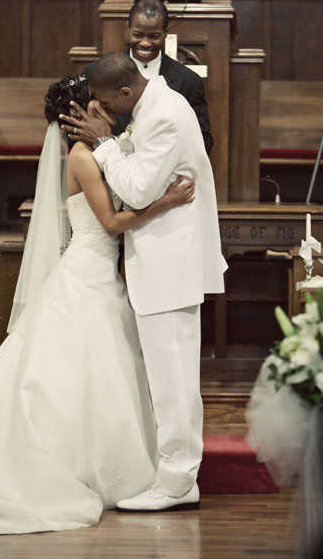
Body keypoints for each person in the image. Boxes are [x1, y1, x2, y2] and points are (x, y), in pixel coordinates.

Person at [0, 75, 195, 535]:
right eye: (97, 105)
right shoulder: (82, 159)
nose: (107, 109)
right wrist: (168, 200)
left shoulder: (102, 149)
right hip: (88, 271)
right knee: (78, 370)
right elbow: (113, 221)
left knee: (105, 371)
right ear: (80, 115)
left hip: (102, 275)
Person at [60, 52, 226, 512]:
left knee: (172, 377)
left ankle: (175, 482)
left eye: (104, 100)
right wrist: (116, 139)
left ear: (126, 93)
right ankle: (177, 476)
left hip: (169, 263)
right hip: (161, 259)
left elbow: (135, 190)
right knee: (169, 375)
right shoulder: (152, 108)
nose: (101, 109)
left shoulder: (166, 117)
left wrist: (107, 142)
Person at [86, 0, 213, 154]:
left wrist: (183, 171)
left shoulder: (189, 81)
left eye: (154, 36)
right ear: (128, 29)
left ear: (165, 33)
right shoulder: (96, 74)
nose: (145, 43)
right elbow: (82, 128)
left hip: (164, 173)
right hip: (105, 168)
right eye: (138, 35)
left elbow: (202, 140)